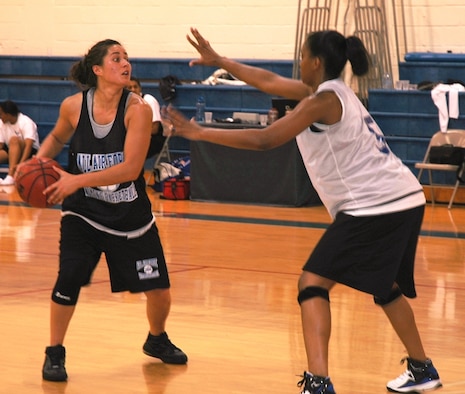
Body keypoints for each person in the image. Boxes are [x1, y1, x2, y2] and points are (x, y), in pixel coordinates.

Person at [162, 28, 442, 394]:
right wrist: (220, 62)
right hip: (403, 197)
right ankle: (422, 369)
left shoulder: (321, 102)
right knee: (385, 286)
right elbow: (269, 80)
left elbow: (266, 139)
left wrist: (200, 134)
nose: (298, 62)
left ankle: (318, 382)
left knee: (311, 283)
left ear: (315, 62)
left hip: (373, 204)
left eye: (302, 55)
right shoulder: (330, 92)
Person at [16, 38, 187, 382]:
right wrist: (35, 164)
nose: (126, 64)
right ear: (97, 70)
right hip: (83, 214)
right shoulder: (73, 107)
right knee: (69, 277)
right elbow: (57, 139)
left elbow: (131, 170)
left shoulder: (137, 109)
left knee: (158, 290)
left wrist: (75, 181)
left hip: (130, 218)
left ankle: (156, 339)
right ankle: (54, 352)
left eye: (127, 58)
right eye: (116, 58)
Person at [0, 100, 40, 185]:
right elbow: (1, 145)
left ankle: (11, 176)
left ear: (8, 115)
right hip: (11, 150)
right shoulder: (1, 123)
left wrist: (20, 165)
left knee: (14, 140)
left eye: (1, 114)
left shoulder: (26, 122)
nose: (0, 116)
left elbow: (28, 146)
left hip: (30, 151)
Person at [127, 76, 166, 158]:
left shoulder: (149, 100)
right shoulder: (124, 103)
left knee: (130, 153)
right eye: (129, 87)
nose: (133, 90)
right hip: (133, 139)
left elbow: (154, 129)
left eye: (135, 87)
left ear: (140, 88)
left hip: (153, 140)